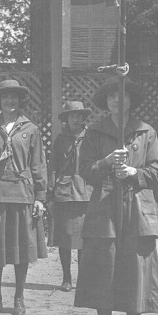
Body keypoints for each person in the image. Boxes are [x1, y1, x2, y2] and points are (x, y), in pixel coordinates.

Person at [74, 77, 158, 315]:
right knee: (105, 274)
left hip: (137, 210)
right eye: (111, 96)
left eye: (121, 95)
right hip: (105, 210)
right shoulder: (95, 132)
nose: (116, 100)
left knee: (135, 275)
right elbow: (85, 171)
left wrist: (135, 174)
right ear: (106, 102)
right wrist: (106, 162)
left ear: (130, 100)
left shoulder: (146, 132)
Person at [0, 79, 47, 315]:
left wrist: (40, 196)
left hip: (22, 195)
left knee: (20, 250)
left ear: (20, 100)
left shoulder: (31, 129)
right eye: (5, 97)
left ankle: (19, 298)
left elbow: (38, 165)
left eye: (14, 97)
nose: (10, 101)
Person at [49, 100, 93, 292]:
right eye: (71, 116)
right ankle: (66, 278)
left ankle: (84, 277)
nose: (76, 119)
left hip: (87, 192)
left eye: (79, 115)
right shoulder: (61, 140)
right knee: (65, 237)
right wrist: (50, 192)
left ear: (84, 118)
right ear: (66, 119)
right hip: (65, 192)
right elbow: (53, 166)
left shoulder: (92, 137)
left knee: (85, 238)